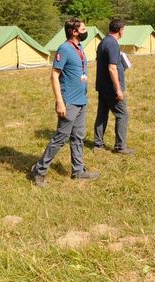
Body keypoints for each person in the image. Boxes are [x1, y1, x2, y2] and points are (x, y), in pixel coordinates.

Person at [30, 18, 100, 187]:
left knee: (78, 137)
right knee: (60, 138)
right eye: (83, 29)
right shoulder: (64, 49)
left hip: (81, 101)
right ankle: (39, 171)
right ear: (74, 32)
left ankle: (78, 171)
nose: (86, 31)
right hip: (69, 102)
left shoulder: (79, 47)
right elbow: (54, 75)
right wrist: (60, 102)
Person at [93, 18, 134, 155]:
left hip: (102, 86)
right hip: (111, 88)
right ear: (120, 30)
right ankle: (120, 146)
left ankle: (98, 144)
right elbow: (111, 68)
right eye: (124, 30)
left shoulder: (103, 42)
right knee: (122, 115)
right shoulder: (112, 44)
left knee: (102, 115)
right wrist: (118, 89)